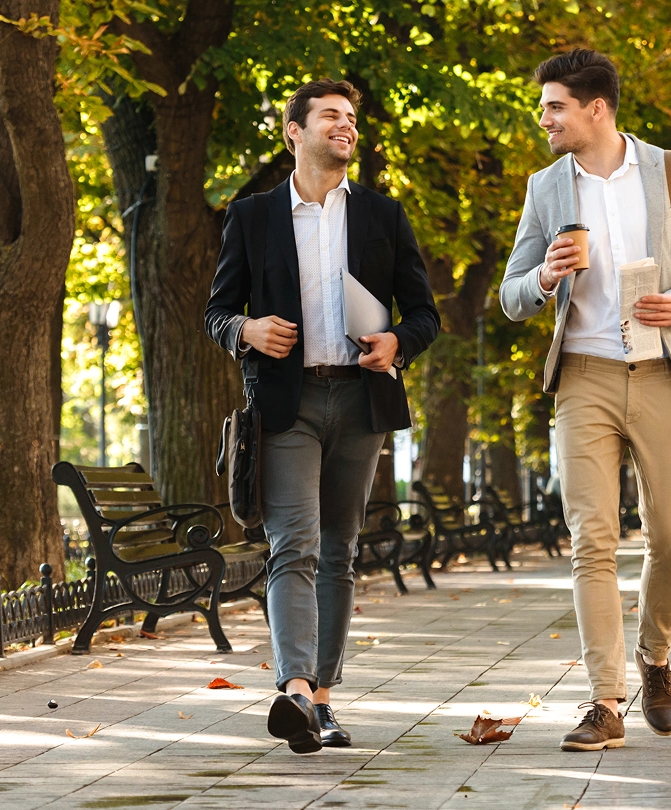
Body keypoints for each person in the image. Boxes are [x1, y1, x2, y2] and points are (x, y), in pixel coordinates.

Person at [499, 49, 671, 750]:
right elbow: (511, 296)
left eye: (554, 107)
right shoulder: (547, 188)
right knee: (591, 538)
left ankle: (654, 658)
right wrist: (543, 276)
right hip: (583, 377)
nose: (543, 118)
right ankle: (605, 702)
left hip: (662, 375)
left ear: (594, 108)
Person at [205, 79, 440, 754]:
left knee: (339, 549)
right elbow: (218, 312)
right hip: (288, 404)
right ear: (294, 132)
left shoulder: (381, 215)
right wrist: (246, 331)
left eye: (351, 118)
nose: (346, 127)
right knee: (294, 545)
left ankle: (324, 703)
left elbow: (424, 314)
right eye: (331, 116)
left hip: (361, 402)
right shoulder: (252, 218)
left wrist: (398, 341)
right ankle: (297, 689)